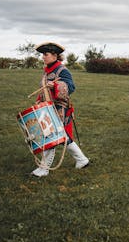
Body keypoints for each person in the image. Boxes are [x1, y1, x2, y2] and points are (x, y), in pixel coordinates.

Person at [31, 42, 90, 177]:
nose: (43, 57)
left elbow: (71, 87)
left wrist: (56, 85)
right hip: (48, 107)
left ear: (54, 55)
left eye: (45, 55)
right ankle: (82, 160)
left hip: (59, 108)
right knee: (62, 136)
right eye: (43, 55)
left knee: (50, 135)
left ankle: (44, 169)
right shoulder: (47, 70)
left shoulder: (62, 70)